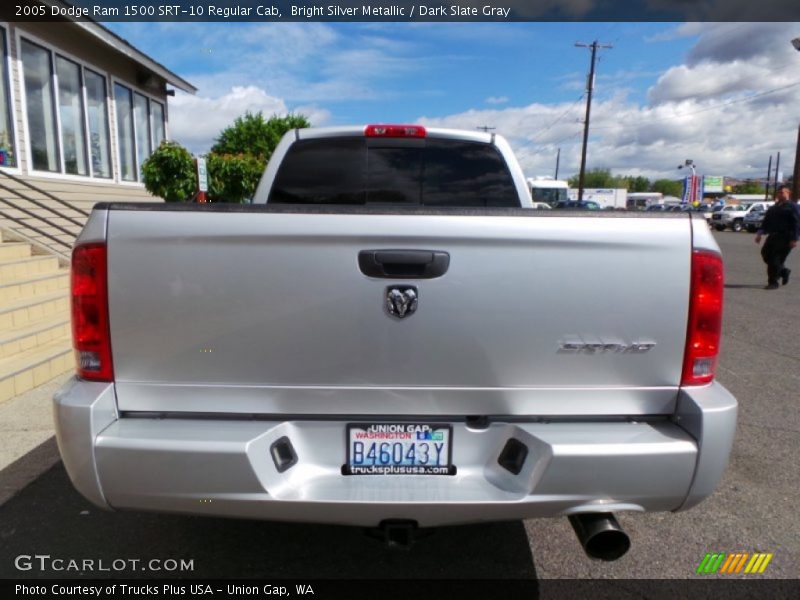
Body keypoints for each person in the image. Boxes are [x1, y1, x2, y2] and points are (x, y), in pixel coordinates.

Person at [755, 185, 798, 289]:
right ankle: (783, 271)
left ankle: (773, 282)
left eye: (782, 192)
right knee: (765, 254)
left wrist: (794, 239)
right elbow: (766, 221)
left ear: (788, 193)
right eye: (779, 192)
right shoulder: (774, 207)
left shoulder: (792, 207)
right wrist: (760, 233)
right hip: (773, 236)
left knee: (775, 259)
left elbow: (797, 223)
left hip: (785, 237)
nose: (780, 194)